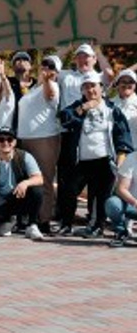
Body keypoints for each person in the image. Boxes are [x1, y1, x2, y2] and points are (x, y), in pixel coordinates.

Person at [58, 71, 133, 238]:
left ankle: (97, 226)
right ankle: (66, 224)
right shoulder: (78, 105)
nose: (90, 90)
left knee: (100, 196)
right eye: (86, 87)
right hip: (81, 159)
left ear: (101, 88)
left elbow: (122, 134)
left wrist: (121, 157)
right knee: (69, 190)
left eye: (93, 86)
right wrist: (83, 108)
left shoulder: (112, 109)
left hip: (104, 159)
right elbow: (64, 119)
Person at [16, 55, 61, 234]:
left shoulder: (52, 85)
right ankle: (28, 219)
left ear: (56, 72)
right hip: (25, 139)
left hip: (44, 138)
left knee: (45, 179)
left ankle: (44, 220)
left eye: (51, 66)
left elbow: (50, 95)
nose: (46, 68)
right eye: (44, 64)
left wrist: (48, 80)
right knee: (28, 179)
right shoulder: (34, 88)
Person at [0, 129, 44, 240]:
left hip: (20, 196)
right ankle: (8, 221)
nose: (5, 143)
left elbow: (39, 178)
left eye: (10, 139)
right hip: (2, 199)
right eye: (1, 139)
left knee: (37, 190)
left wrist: (25, 183)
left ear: (15, 142)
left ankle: (32, 225)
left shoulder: (25, 156)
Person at [105, 145, 137, 247]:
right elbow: (121, 189)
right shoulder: (132, 158)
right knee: (112, 203)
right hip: (132, 205)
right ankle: (121, 232)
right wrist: (135, 202)